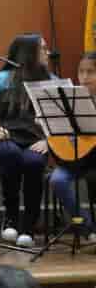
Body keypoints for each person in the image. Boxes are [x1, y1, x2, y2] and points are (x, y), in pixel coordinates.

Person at [0, 33, 51, 247]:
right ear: (29, 53)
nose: (48, 53)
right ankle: (10, 218)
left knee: (33, 161)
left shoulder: (52, 81)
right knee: (10, 154)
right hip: (3, 139)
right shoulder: (0, 80)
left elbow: (61, 120)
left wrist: (49, 141)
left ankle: (29, 226)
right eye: (43, 49)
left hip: (36, 141)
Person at [48, 51, 96, 242]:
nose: (84, 77)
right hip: (75, 159)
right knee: (57, 180)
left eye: (90, 72)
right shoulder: (68, 100)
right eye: (81, 71)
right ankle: (88, 227)